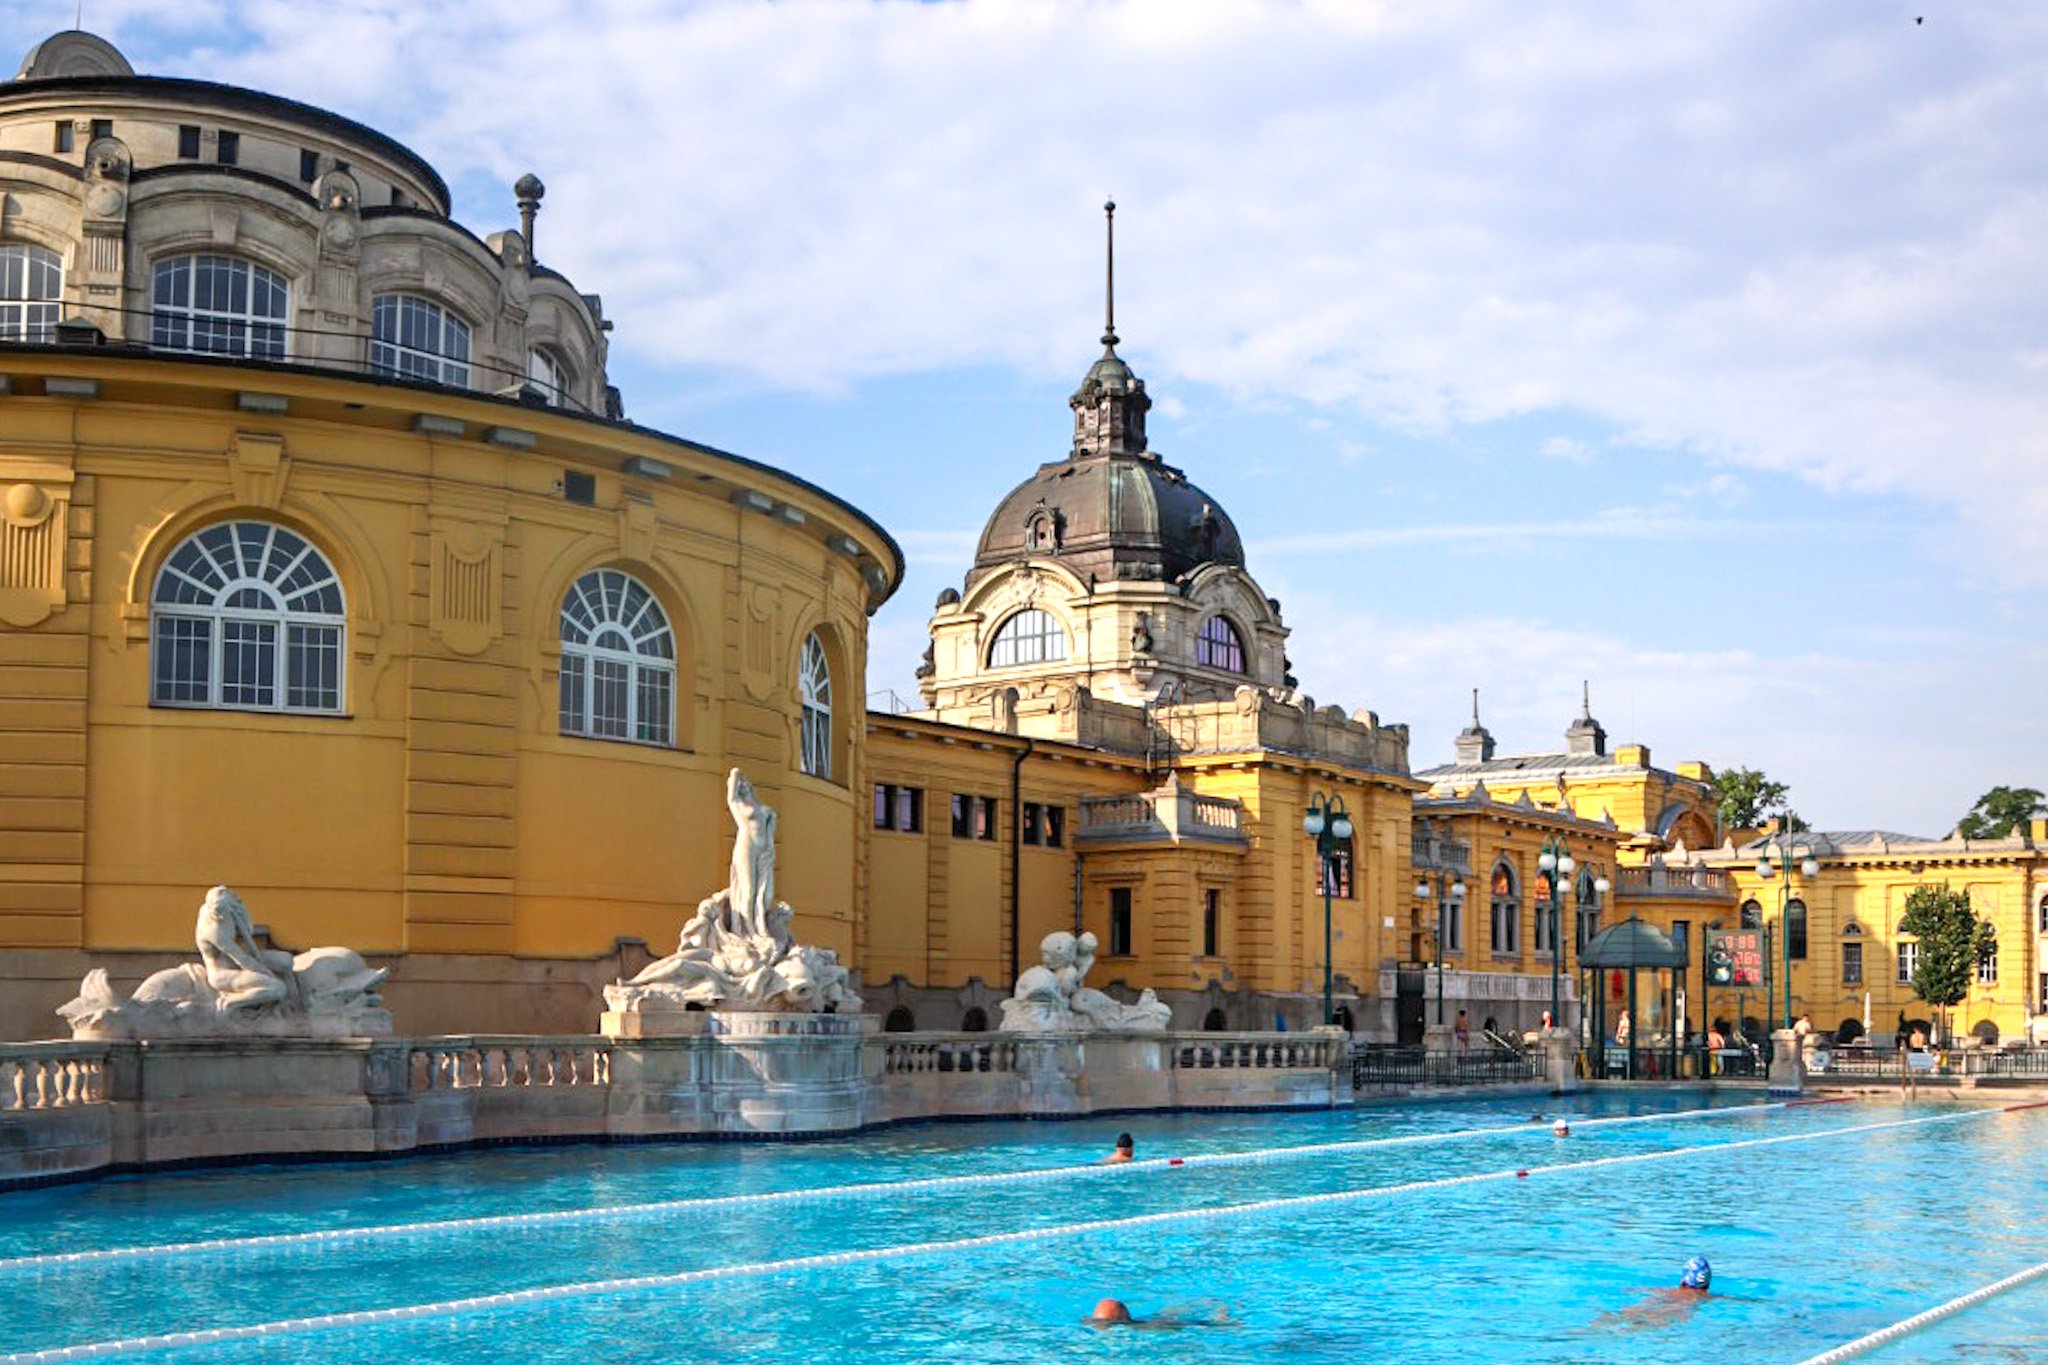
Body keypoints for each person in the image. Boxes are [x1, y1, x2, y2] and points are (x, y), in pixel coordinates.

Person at [1595, 1256, 1714, 1330]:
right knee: (1638, 1327)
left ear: (1683, 1280)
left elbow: (1639, 1289)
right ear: (1708, 1283)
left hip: (1654, 1304)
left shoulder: (1668, 1291)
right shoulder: (1706, 1297)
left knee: (1623, 1315)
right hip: (1673, 1312)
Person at [1084, 1298, 1238, 1331]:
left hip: (1159, 1322)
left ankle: (1222, 1316)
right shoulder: (1092, 1322)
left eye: (1103, 1324)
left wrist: (1221, 1323)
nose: (1098, 1326)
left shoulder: (1150, 1327)